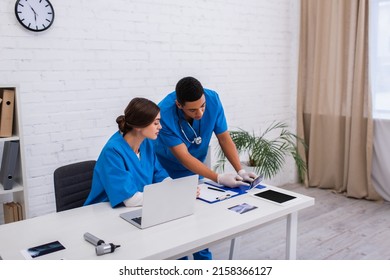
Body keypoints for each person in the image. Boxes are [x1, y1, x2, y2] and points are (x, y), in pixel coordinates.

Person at [155, 76, 258, 260]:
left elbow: (224, 138)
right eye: (193, 110)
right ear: (179, 105)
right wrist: (217, 177)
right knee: (177, 226)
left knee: (198, 224)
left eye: (202, 106)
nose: (200, 113)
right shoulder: (164, 112)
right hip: (166, 170)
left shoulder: (213, 99)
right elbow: (184, 157)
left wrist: (240, 170)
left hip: (195, 167)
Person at [84, 97, 170, 208]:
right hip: (104, 212)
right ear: (139, 125)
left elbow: (159, 175)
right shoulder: (113, 151)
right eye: (156, 123)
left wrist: (178, 189)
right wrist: (169, 195)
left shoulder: (146, 143)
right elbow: (131, 200)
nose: (160, 127)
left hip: (137, 207)